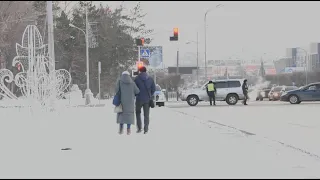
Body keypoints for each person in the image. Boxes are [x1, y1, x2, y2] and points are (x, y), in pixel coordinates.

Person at [115, 71, 140, 135]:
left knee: (121, 114)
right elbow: (137, 91)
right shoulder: (132, 83)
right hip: (130, 103)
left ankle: (121, 129)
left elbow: (116, 90)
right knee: (129, 115)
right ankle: (128, 129)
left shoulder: (119, 82)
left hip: (121, 102)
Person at [134, 66, 156, 134]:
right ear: (146, 71)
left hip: (139, 99)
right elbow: (153, 89)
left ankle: (139, 128)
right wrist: (150, 95)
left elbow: (134, 89)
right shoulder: (150, 79)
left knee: (138, 113)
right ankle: (146, 129)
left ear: (140, 71)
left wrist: (137, 95)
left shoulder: (137, 79)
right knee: (146, 115)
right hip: (147, 100)